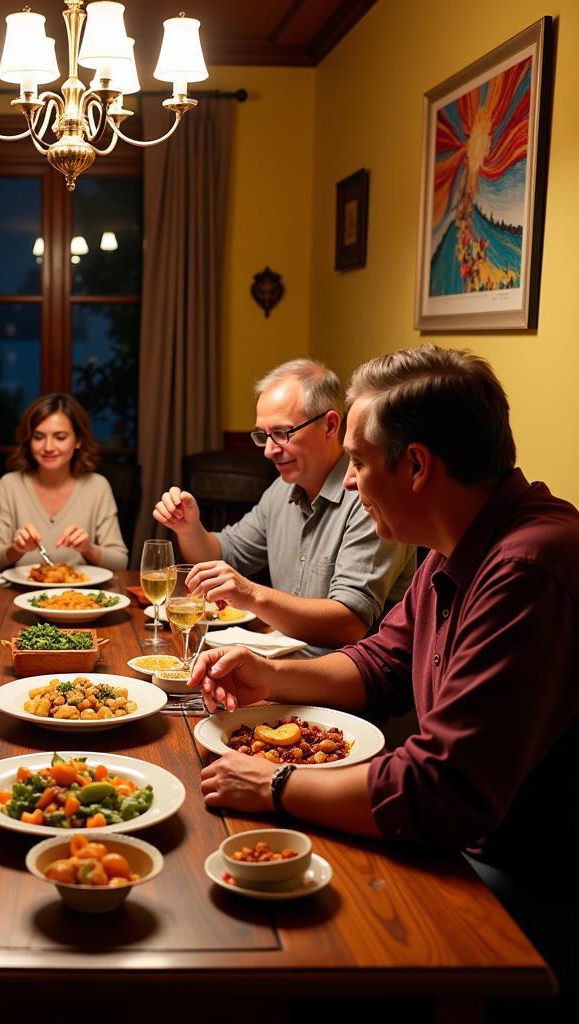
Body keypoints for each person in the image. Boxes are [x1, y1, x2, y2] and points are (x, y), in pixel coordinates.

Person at [193, 346, 578, 997]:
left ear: (418, 465)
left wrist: (275, 783)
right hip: (454, 835)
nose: (348, 482)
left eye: (362, 463)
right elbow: (384, 661)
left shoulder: (527, 566)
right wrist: (271, 676)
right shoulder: (457, 539)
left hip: (519, 882)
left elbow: (441, 788)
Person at [154, 358, 415, 654]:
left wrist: (251, 593)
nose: (268, 450)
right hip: (283, 662)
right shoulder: (283, 488)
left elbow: (348, 624)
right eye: (263, 436)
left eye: (282, 433)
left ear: (330, 425)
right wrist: (188, 527)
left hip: (346, 683)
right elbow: (223, 554)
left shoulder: (368, 498)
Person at [0, 393, 128, 570]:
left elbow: (120, 563)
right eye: (38, 437)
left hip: (80, 596)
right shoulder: (10, 485)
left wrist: (88, 549)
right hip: (18, 595)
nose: (48, 447)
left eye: (60, 437)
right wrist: (16, 549)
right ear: (28, 440)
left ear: (78, 440)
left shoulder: (97, 486)